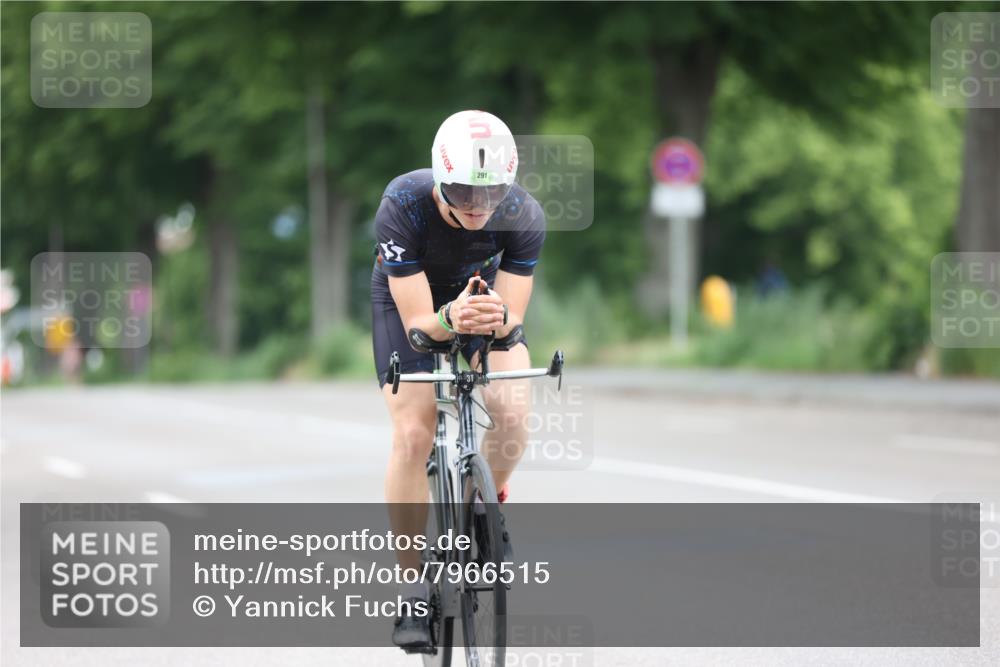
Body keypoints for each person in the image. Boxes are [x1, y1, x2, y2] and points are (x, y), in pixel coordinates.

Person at [371, 110, 545, 650]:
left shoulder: (523, 214)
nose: (476, 206)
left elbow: (512, 318)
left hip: (479, 301)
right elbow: (422, 323)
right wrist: (448, 321)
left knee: (515, 413)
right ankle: (412, 588)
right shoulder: (402, 204)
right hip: (413, 306)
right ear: (439, 178)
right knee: (413, 434)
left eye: (489, 193)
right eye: (463, 192)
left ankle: (482, 507)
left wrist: (493, 322)